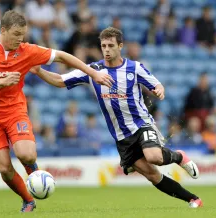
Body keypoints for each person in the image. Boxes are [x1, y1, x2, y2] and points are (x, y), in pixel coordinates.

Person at [31, 27, 203, 208]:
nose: (106, 49)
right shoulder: (93, 71)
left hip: (141, 124)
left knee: (153, 156)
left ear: (120, 46)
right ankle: (193, 199)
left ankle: (179, 157)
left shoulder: (134, 68)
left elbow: (156, 84)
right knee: (152, 175)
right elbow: (60, 80)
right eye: (103, 45)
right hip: (122, 136)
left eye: (110, 45)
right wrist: (40, 72)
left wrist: (159, 89)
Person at [0, 10, 113, 213]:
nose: (20, 39)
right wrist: (3, 81)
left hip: (14, 111)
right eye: (16, 34)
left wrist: (92, 73)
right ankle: (28, 200)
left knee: (27, 155)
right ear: (3, 30)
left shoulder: (27, 50)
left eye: (23, 34)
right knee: (4, 168)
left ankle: (35, 175)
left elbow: (62, 56)